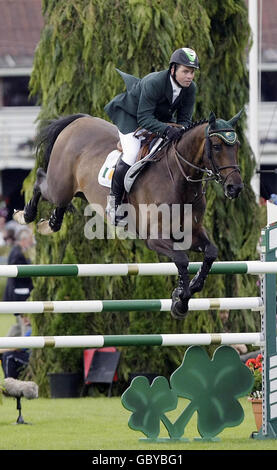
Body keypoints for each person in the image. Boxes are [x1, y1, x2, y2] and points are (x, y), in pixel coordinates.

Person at [104, 47, 200, 225]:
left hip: (159, 121)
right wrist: (167, 130)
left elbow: (185, 119)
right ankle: (114, 204)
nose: (189, 76)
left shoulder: (190, 89)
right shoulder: (154, 82)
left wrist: (181, 131)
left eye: (192, 72)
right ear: (173, 70)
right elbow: (144, 117)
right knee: (132, 153)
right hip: (131, 117)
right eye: (185, 71)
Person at [3, 227, 35, 337]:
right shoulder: (18, 254)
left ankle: (4, 347)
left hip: (18, 293)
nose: (31, 242)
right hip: (19, 294)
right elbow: (18, 275)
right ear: (24, 240)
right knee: (24, 325)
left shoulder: (17, 251)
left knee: (18, 326)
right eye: (30, 239)